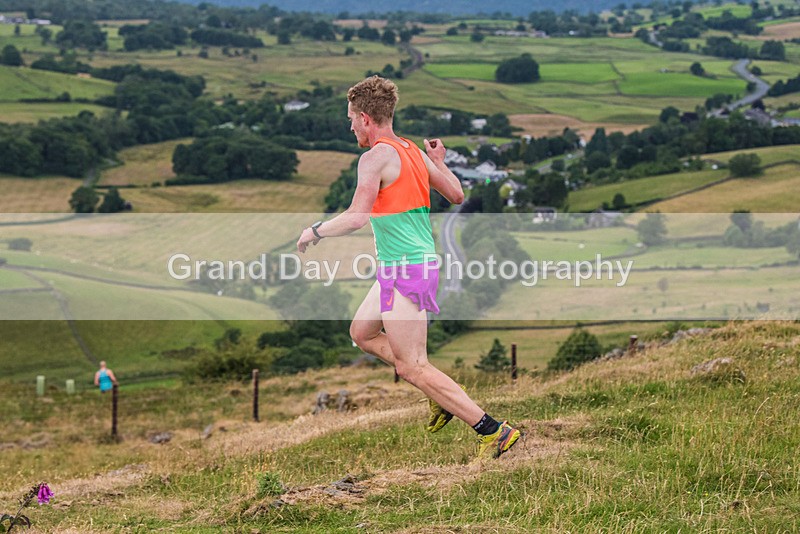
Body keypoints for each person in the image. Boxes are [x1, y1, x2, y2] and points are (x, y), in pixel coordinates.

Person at [296, 75, 520, 460]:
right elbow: (456, 193)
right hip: (404, 266)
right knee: (363, 333)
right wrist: (437, 163)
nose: (350, 126)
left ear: (366, 118)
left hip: (407, 269)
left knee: (413, 365)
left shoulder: (375, 158)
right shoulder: (411, 151)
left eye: (351, 118)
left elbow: (356, 217)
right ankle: (440, 398)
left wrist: (314, 230)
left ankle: (494, 431)